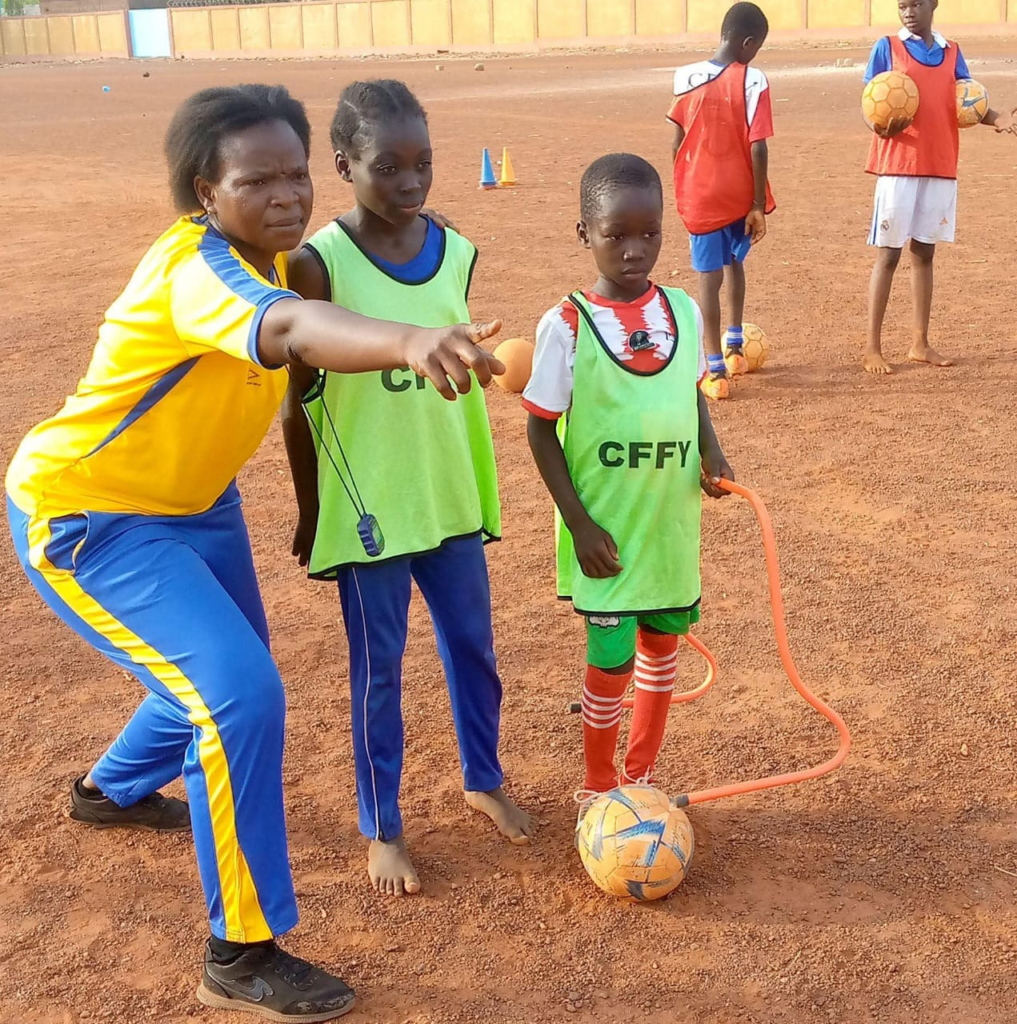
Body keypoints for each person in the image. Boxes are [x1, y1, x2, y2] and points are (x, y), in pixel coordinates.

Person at [5, 84, 506, 1022]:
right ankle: (239, 953)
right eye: (255, 179)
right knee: (236, 694)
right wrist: (406, 340)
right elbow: (287, 330)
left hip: (197, 506)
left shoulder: (270, 262)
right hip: (89, 515)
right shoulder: (198, 271)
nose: (286, 195)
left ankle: (111, 791)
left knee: (216, 680)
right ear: (205, 191)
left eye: (295, 172)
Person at [282, 80, 533, 900]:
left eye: (422, 164)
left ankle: (482, 777)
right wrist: (310, 505)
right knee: (377, 671)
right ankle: (382, 826)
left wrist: (479, 360)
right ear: (343, 164)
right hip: (368, 509)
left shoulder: (455, 248)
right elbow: (299, 399)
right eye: (386, 166)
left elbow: (450, 348)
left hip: (447, 488)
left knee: (474, 648)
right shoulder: (317, 263)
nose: (410, 182)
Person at [523, 154, 734, 807]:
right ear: (584, 233)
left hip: (669, 525)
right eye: (616, 235)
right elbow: (539, 430)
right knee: (611, 659)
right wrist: (578, 523)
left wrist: (711, 453)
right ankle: (595, 785)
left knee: (660, 649)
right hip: (607, 533)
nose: (634, 249)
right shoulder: (566, 325)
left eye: (650, 233)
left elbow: (690, 394)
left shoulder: (681, 310)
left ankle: (639, 780)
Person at [862, 0, 1017, 375]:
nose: (908, 12)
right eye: (902, 6)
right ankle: (872, 347)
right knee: (888, 255)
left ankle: (920, 342)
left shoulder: (952, 52)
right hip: (899, 167)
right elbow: (871, 105)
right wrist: (880, 126)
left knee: (924, 253)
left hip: (940, 165)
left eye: (916, 4)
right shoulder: (888, 47)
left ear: (933, 5)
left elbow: (965, 102)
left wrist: (998, 119)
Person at [666, 1, 774, 401]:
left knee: (708, 280)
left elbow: (676, 140)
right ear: (748, 43)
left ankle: (713, 370)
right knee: (735, 263)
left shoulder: (686, 77)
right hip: (738, 193)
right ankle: (734, 350)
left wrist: (684, 187)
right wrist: (758, 203)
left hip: (699, 194)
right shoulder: (753, 80)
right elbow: (759, 146)